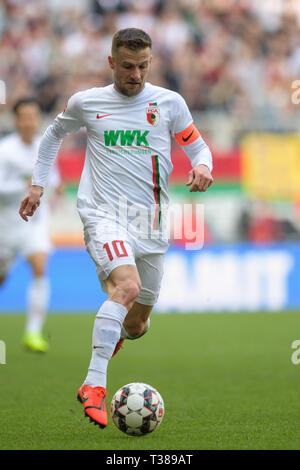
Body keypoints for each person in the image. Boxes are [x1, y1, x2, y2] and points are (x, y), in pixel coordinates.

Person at [19, 28, 213, 428]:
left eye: (143, 66)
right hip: (103, 213)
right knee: (125, 286)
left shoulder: (169, 103)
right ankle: (94, 384)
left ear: (151, 63)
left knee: (137, 324)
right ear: (112, 63)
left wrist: (203, 165)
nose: (136, 74)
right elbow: (53, 134)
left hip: (152, 221)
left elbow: (195, 144)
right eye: (127, 66)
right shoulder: (88, 103)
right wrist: (38, 183)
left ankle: (114, 335)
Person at [0, 98, 61, 352]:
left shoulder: (45, 147)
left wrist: (54, 192)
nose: (30, 122)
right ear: (16, 120)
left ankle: (33, 334)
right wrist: (24, 188)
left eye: (34, 116)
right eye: (25, 116)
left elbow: (54, 180)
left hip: (34, 224)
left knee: (40, 266)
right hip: (6, 224)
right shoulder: (5, 150)